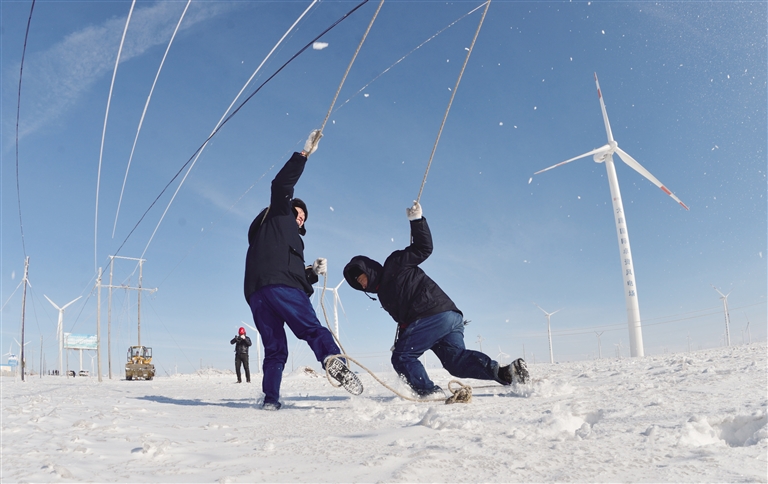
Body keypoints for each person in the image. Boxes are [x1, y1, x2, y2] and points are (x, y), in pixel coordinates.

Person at [343, 201, 529, 399]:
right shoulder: (383, 295)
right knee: (455, 362)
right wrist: (401, 339)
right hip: (448, 317)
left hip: (432, 314)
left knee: (402, 357)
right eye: (356, 282)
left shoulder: (394, 262)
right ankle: (507, 372)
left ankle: (429, 393)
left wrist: (417, 221)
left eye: (360, 276)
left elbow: (423, 248)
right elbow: (406, 320)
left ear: (368, 268)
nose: (360, 282)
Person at [244, 129, 362, 410]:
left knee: (275, 350)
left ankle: (270, 400)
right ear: (288, 208)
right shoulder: (279, 213)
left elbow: (288, 268)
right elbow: (281, 185)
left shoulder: (271, 236)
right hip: (280, 287)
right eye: (298, 212)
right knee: (312, 329)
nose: (300, 218)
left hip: (257, 292)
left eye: (303, 217)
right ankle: (335, 363)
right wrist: (303, 154)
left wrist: (311, 272)